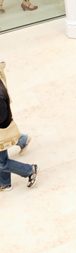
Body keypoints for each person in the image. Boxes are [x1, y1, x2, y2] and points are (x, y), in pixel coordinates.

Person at [0, 62, 38, 191]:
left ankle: (29, 170)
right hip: (3, 131)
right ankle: (5, 184)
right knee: (1, 159)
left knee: (1, 163)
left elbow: (3, 119)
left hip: (2, 130)